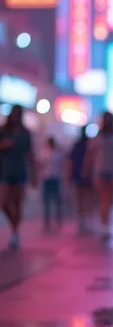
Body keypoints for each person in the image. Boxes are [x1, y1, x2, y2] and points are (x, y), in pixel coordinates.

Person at [83, 112, 113, 239]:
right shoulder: (99, 136)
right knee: (104, 199)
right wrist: (86, 168)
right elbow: (90, 154)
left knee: (107, 200)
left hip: (112, 171)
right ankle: (104, 224)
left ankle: (105, 225)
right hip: (100, 171)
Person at [0, 104, 36, 248]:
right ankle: (13, 224)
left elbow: (30, 154)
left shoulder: (25, 133)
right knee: (3, 203)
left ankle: (15, 232)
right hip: (4, 171)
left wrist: (34, 174)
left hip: (20, 170)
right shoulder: (3, 131)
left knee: (17, 203)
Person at [68, 126, 93, 231]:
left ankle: (82, 220)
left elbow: (71, 161)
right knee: (85, 198)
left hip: (80, 175)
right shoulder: (88, 145)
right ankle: (83, 220)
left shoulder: (79, 145)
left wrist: (69, 174)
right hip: (84, 175)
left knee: (81, 198)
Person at [39, 136, 64, 232]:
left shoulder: (58, 153)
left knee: (57, 201)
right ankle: (47, 222)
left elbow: (63, 163)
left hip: (56, 178)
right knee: (46, 202)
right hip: (46, 179)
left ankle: (58, 220)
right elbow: (40, 165)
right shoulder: (44, 153)